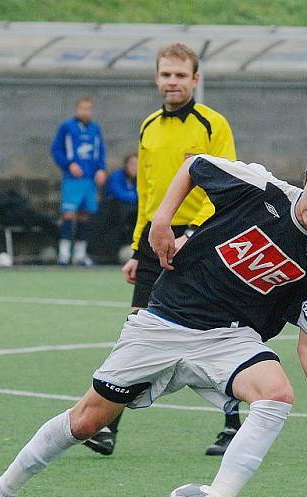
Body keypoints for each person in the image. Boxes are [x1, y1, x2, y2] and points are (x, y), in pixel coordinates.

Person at [0, 134, 307, 497]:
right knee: (85, 423)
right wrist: (161, 222)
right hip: (165, 320)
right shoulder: (258, 188)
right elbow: (194, 165)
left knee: (277, 395)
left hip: (228, 337)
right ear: (306, 179)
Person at [85, 43, 237, 457]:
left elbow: (229, 187)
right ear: (157, 78)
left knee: (214, 328)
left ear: (195, 79)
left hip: (199, 239)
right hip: (155, 241)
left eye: (180, 75)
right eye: (165, 75)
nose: (172, 82)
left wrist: (196, 233)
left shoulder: (213, 125)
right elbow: (146, 193)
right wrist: (138, 248)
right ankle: (106, 427)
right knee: (136, 330)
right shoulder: (149, 126)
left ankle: (232, 424)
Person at [50, 97, 107, 266]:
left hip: (90, 179)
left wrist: (101, 169)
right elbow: (56, 149)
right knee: (69, 213)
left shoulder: (95, 129)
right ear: (77, 109)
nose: (86, 112)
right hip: (73, 179)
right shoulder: (67, 127)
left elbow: (100, 150)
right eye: (83, 108)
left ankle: (80, 255)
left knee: (85, 215)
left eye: (89, 109)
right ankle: (64, 254)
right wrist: (69, 165)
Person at [88, 153, 138, 264]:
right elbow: (119, 193)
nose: (135, 167)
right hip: (112, 213)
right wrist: (135, 196)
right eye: (132, 164)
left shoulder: (141, 179)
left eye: (137, 164)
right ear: (126, 165)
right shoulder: (117, 176)